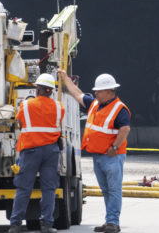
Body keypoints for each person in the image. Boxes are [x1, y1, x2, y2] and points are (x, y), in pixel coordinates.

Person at [58, 70, 130, 233]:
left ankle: (113, 222)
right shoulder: (95, 104)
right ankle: (109, 220)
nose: (95, 93)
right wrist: (66, 79)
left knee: (113, 190)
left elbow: (125, 129)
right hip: (98, 156)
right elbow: (77, 94)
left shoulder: (119, 109)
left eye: (99, 90)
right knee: (106, 190)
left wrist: (114, 147)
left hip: (112, 156)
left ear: (110, 91)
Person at [8, 73, 65, 233]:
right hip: (51, 151)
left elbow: (19, 121)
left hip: (31, 150)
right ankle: (47, 225)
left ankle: (16, 225)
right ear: (51, 91)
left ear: (38, 89)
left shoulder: (26, 106)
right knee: (49, 189)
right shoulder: (59, 107)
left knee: (24, 188)